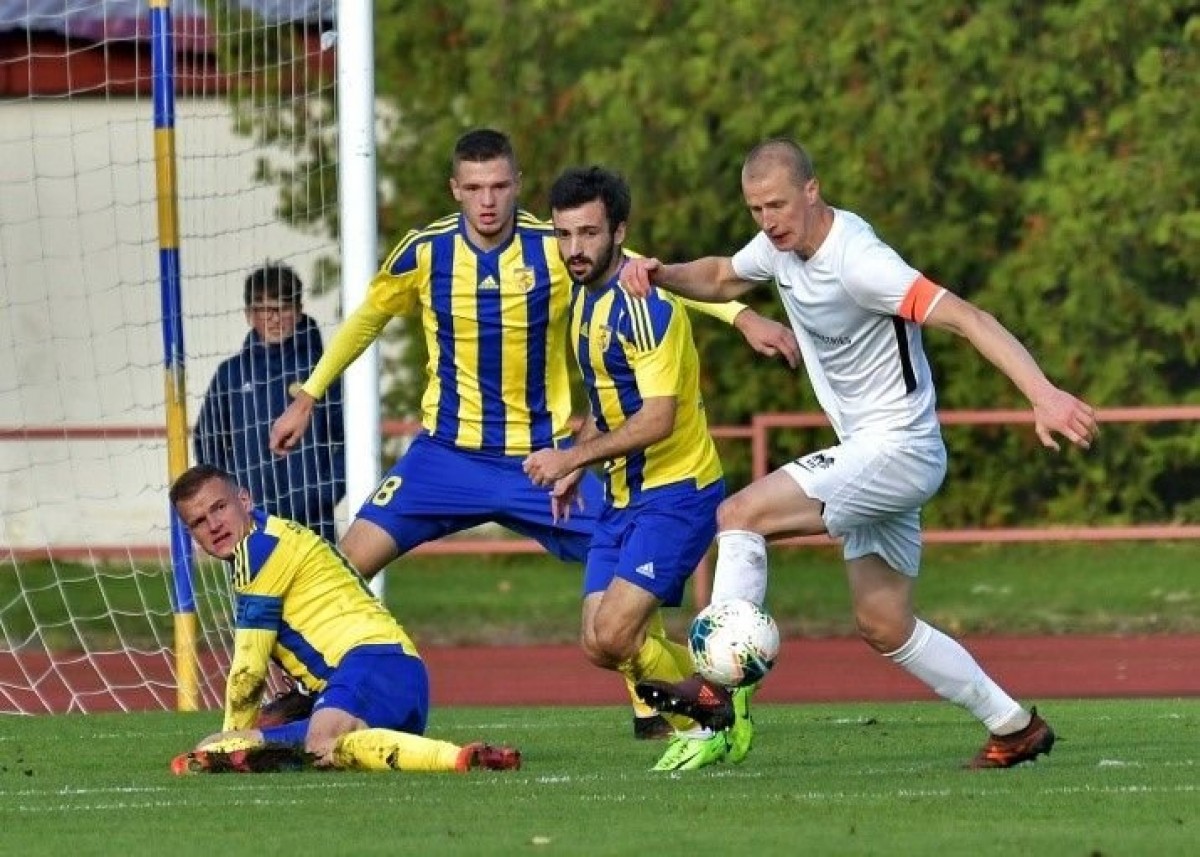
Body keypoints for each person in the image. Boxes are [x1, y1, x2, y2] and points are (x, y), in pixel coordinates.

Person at [269, 128, 799, 739]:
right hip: (445, 458)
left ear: (517, 185)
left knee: (622, 585)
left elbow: (645, 277)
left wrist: (741, 315)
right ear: (455, 189)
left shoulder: (558, 244)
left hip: (543, 463)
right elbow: (367, 317)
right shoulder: (425, 252)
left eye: (499, 186)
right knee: (341, 566)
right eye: (474, 188)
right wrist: (309, 394)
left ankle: (657, 704)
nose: (487, 200)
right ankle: (312, 689)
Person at [622, 138, 1098, 769]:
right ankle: (1014, 726)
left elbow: (968, 318)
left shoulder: (861, 262)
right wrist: (661, 273)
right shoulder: (780, 246)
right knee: (884, 624)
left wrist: (1042, 394)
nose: (768, 221)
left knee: (740, 515)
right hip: (875, 455)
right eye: (756, 209)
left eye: (777, 205)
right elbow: (720, 276)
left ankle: (716, 692)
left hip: (898, 449)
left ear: (812, 190)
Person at [521, 165, 781, 771]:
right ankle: (716, 699)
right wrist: (578, 461)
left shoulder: (643, 307)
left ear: (619, 232)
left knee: (616, 634)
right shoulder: (584, 300)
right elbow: (612, 401)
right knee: (599, 642)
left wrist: (570, 457)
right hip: (623, 498)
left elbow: (658, 418)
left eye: (589, 233)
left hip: (676, 494)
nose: (575, 248)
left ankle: (715, 718)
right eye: (564, 234)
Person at [167, 464, 521, 775]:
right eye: (198, 522)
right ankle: (437, 755)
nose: (214, 525)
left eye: (219, 507)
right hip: (393, 676)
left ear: (244, 500)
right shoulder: (270, 535)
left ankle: (460, 758)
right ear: (192, 535)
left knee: (311, 743)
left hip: (370, 665)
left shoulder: (259, 549)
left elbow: (248, 669)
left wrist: (231, 742)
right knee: (318, 747)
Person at [194, 263, 345, 544]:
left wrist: (323, 494)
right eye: (265, 310)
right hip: (251, 521)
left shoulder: (322, 371)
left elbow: (347, 438)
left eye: (283, 308)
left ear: (299, 310)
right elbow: (208, 441)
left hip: (313, 521)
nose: (275, 319)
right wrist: (230, 498)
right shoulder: (231, 374)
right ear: (249, 315)